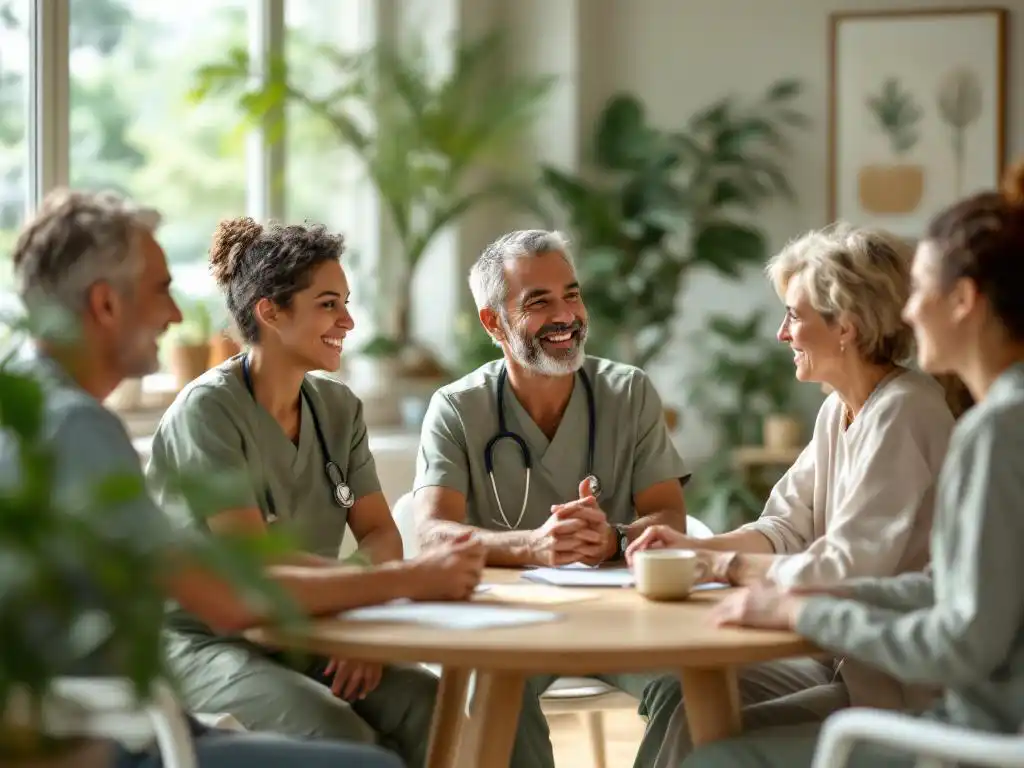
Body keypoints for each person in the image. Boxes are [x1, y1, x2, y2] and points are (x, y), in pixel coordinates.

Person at [4, 188, 441, 767]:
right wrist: (409, 579)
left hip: (103, 707)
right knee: (360, 756)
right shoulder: (79, 426)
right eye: (161, 290)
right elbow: (237, 595)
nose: (177, 315)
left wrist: (380, 588)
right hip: (101, 726)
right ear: (107, 305)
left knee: (432, 707)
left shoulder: (34, 403)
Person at [680, 161, 1024, 768]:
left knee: (714, 758)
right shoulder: (983, 418)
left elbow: (961, 640)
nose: (909, 313)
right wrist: (723, 564)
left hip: (963, 727)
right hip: (918, 694)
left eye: (921, 292)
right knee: (699, 731)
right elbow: (941, 587)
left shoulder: (986, 428)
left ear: (965, 299)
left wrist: (802, 605)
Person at [141, 216, 480, 766]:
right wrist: (388, 587)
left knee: (430, 703)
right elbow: (259, 573)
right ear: (270, 312)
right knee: (338, 732)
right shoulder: (208, 411)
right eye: (328, 304)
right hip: (204, 641)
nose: (347, 320)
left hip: (310, 627)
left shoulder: (337, 407)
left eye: (345, 303)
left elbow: (377, 532)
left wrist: (357, 629)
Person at [626, 223, 959, 766]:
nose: (783, 334)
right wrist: (692, 550)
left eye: (794, 316)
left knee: (706, 739)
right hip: (853, 671)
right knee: (683, 704)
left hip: (905, 694)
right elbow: (785, 526)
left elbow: (850, 565)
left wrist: (727, 568)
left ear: (846, 327)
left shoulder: (906, 411)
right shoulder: (840, 409)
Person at [412, 229, 691, 768]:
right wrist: (532, 546)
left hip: (621, 615)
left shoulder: (627, 391)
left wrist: (615, 536)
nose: (566, 315)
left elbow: (668, 512)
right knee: (493, 693)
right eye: (539, 302)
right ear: (493, 322)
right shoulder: (456, 408)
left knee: (688, 687)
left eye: (572, 293)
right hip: (506, 621)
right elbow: (431, 534)